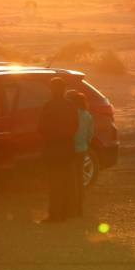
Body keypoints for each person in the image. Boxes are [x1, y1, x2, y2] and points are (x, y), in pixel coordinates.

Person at [37, 77, 78, 223]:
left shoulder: (48, 106)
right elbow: (75, 127)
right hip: (67, 150)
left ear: (52, 90)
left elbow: (41, 128)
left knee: (54, 183)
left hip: (53, 150)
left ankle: (54, 215)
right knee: (66, 182)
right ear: (64, 89)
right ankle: (65, 213)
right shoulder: (71, 106)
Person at [68, 91, 94, 218]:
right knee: (79, 180)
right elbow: (90, 135)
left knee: (71, 179)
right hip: (83, 149)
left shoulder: (72, 115)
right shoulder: (88, 116)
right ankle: (79, 208)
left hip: (72, 149)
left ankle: (71, 207)